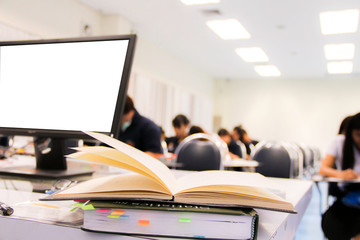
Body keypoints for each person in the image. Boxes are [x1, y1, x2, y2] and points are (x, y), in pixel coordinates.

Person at [319, 112, 360, 240]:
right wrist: (341, 174)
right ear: (350, 133)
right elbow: (323, 169)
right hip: (348, 197)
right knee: (333, 224)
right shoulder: (339, 142)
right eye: (358, 135)